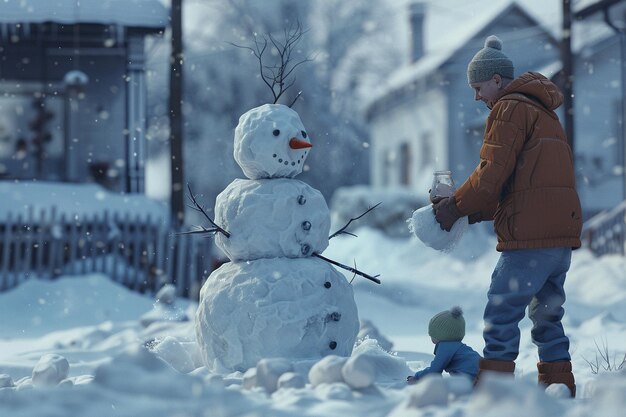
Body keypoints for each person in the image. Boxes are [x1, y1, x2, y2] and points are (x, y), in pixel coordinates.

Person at [432, 35, 582, 397]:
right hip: (559, 235)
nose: (477, 97)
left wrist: (453, 207)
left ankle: (495, 393)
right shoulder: (544, 112)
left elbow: (491, 175)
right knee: (547, 317)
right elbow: (517, 184)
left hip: (530, 237)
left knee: (501, 310)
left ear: (496, 80)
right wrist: (470, 212)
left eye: (478, 87)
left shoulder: (509, 108)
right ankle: (559, 387)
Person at [406, 307, 480, 384]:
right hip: (484, 372)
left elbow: (434, 371)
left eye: (432, 333)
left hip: (475, 378)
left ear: (441, 334)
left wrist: (417, 377)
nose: (430, 335)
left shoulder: (446, 347)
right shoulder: (458, 347)